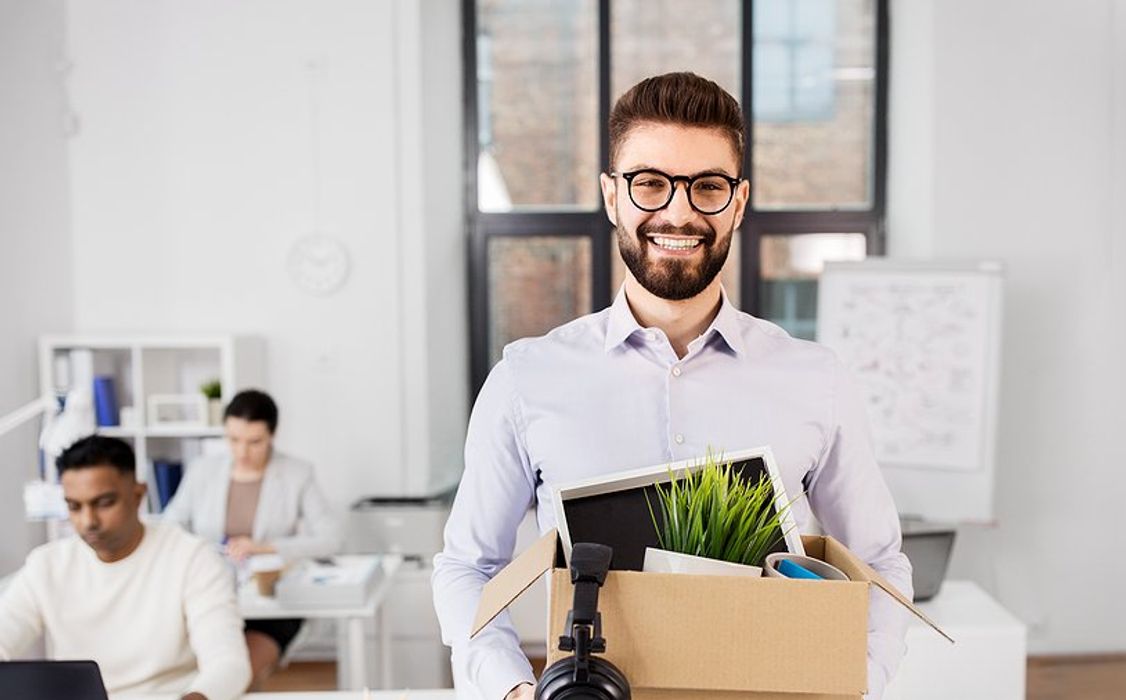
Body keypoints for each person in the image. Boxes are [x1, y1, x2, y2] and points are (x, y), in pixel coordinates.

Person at [432, 72, 914, 700]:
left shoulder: (814, 379)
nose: (679, 212)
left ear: (738, 202)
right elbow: (469, 567)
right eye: (650, 183)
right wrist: (514, 691)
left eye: (707, 186)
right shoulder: (526, 380)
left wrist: (855, 684)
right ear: (612, 197)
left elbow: (878, 563)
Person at [0, 435, 250, 700]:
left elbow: (228, 663)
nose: (88, 521)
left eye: (104, 503)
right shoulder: (47, 566)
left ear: (137, 495)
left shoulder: (192, 558)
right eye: (74, 507)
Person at [163, 389, 342, 689]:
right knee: (203, 677)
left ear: (272, 434)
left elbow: (331, 538)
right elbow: (171, 526)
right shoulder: (202, 471)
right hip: (211, 596)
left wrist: (264, 547)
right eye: (233, 440)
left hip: (269, 606)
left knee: (240, 675)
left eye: (254, 442)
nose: (242, 452)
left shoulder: (297, 473)